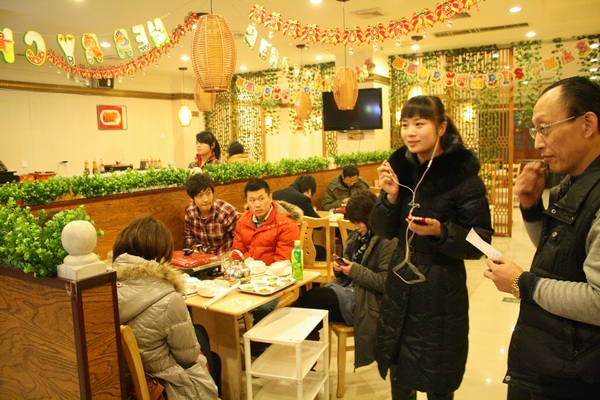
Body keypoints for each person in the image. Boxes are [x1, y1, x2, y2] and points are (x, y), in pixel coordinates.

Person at [370, 95, 493, 400]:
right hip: (400, 284)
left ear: (441, 127)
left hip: (440, 291)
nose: (410, 132)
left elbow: (481, 241)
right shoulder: (400, 172)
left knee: (437, 376)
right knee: (400, 376)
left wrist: (442, 232)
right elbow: (383, 230)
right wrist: (390, 197)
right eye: (405, 125)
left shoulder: (463, 179)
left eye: (419, 123)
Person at [484, 76, 600, 399]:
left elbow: (597, 300)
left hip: (577, 372)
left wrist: (524, 283)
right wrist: (531, 207)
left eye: (545, 128)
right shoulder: (571, 181)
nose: (537, 142)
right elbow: (563, 254)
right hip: (553, 355)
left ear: (587, 124)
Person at [113, 216, 219, 400]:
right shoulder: (169, 299)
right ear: (162, 253)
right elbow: (188, 357)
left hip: (126, 384)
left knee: (200, 332)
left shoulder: (104, 289)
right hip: (164, 387)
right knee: (212, 357)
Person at [294, 190, 395, 369]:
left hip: (368, 300)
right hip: (349, 289)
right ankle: (307, 358)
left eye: (359, 221)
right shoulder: (356, 237)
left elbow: (385, 282)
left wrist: (353, 270)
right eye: (353, 221)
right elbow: (349, 269)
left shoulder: (387, 241)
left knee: (311, 301)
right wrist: (340, 268)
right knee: (307, 304)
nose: (356, 226)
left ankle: (305, 359)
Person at [232, 178, 301, 324]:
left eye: (261, 198)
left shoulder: (286, 224)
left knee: (263, 307)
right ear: (247, 201)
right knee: (225, 297)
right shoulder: (243, 221)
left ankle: (259, 338)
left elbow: (282, 263)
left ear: (270, 197)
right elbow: (237, 253)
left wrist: (254, 268)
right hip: (249, 276)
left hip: (276, 279)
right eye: (252, 200)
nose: (257, 204)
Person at [184, 173, 239, 257]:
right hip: (201, 257)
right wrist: (196, 255)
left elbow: (239, 240)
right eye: (200, 195)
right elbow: (190, 238)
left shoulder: (225, 211)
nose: (206, 199)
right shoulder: (190, 212)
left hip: (224, 257)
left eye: (208, 193)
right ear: (191, 198)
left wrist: (224, 259)